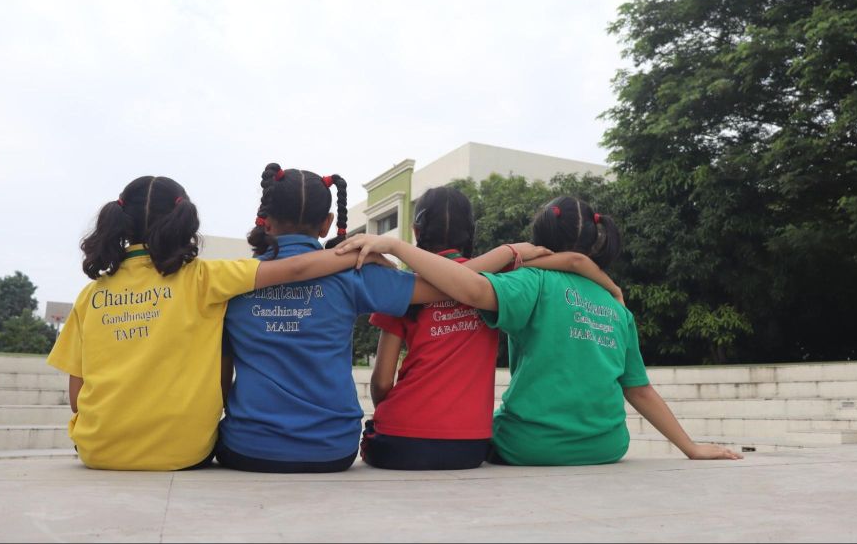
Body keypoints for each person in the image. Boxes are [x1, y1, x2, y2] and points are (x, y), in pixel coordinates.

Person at [217, 167, 622, 473]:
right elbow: (455, 287)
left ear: (264, 218)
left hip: (248, 449)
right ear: (326, 224)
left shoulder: (229, 282)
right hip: (332, 450)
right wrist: (510, 253)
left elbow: (222, 376)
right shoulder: (356, 274)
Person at [337, 196, 744, 466]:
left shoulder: (531, 283)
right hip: (607, 447)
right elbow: (638, 389)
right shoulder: (617, 308)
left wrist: (398, 249)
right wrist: (689, 447)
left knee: (470, 431)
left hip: (530, 446)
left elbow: (473, 287)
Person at [47, 175, 385, 471]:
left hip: (98, 450)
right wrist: (360, 251)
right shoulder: (207, 278)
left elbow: (77, 399)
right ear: (183, 221)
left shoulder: (90, 296)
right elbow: (296, 269)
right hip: (184, 452)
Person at [361, 186, 621, 470]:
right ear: (472, 231)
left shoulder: (403, 288)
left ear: (416, 230)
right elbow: (574, 261)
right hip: (469, 448)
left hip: (401, 444)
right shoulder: (498, 277)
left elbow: (382, 382)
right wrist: (612, 288)